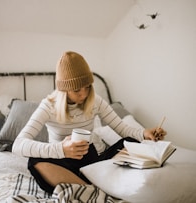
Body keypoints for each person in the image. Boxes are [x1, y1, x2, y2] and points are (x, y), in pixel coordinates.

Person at [12, 51, 166, 194]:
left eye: (87, 87)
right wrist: (61, 149)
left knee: (130, 142)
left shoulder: (95, 101)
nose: (84, 94)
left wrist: (144, 133)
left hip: (93, 161)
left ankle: (90, 184)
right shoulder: (48, 106)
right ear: (64, 90)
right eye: (77, 90)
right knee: (34, 162)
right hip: (64, 163)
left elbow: (123, 129)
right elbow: (18, 145)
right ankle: (92, 189)